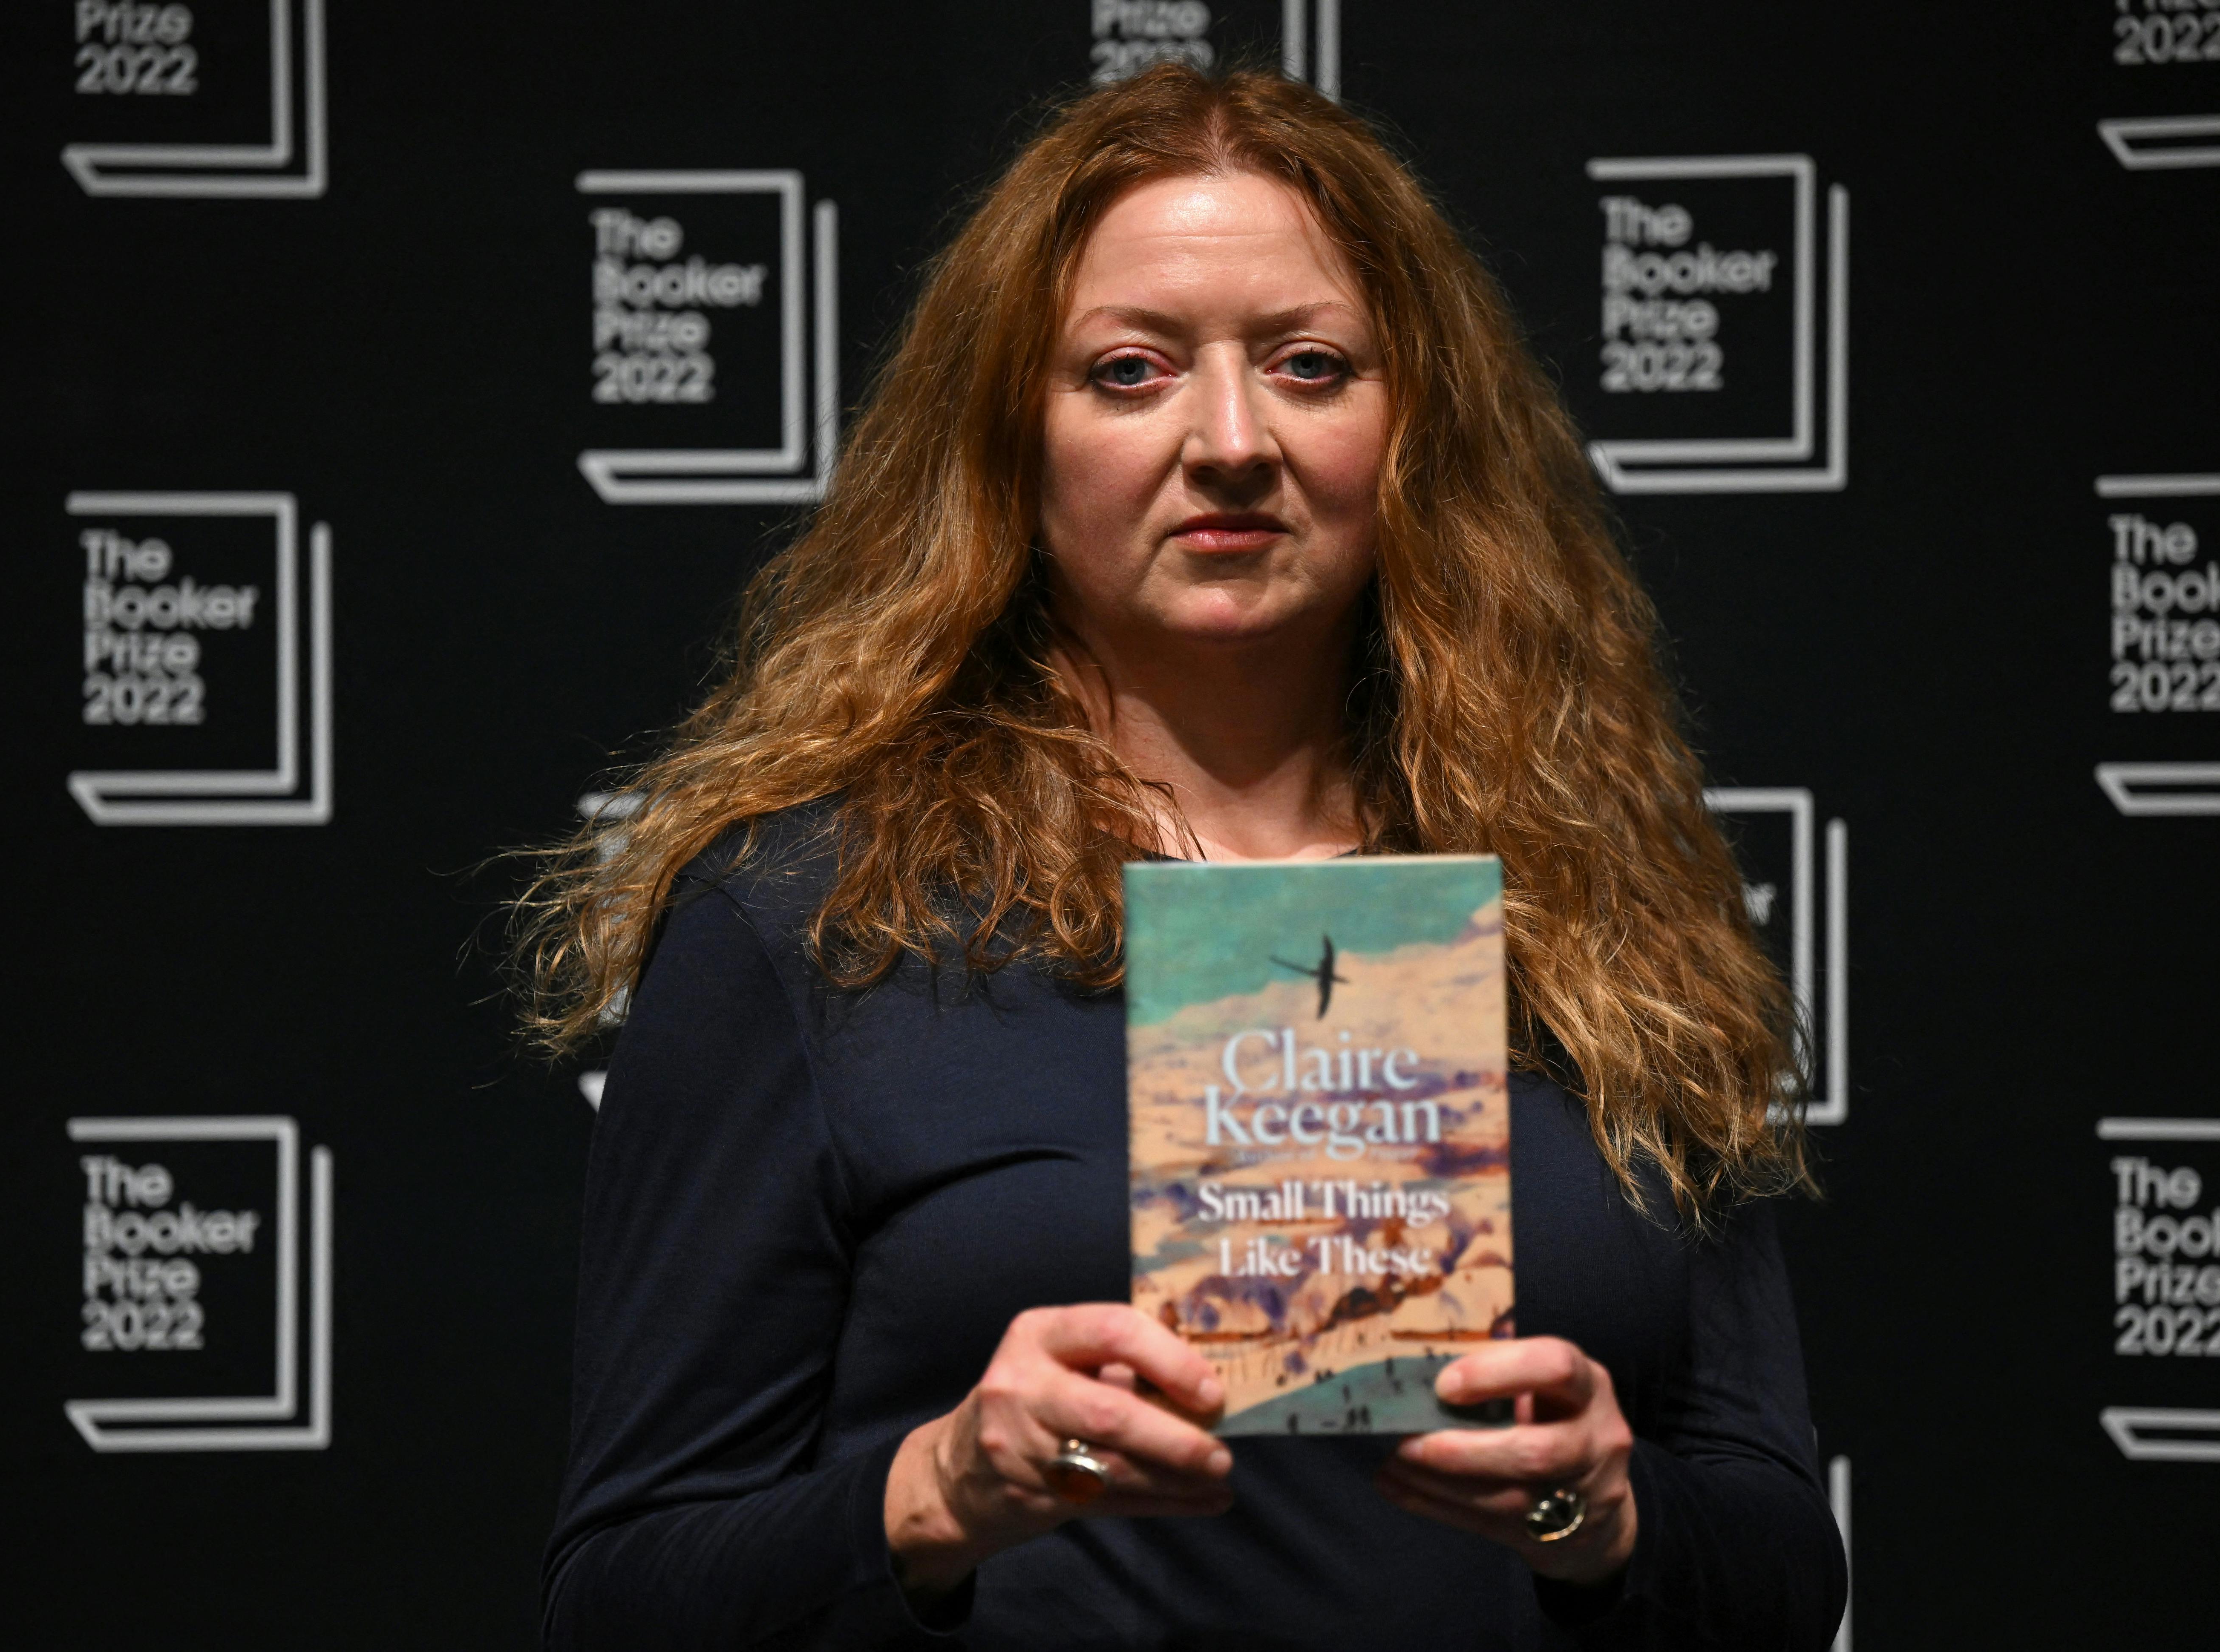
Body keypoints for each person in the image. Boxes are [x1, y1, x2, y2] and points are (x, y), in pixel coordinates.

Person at [517, 64, 1846, 1651]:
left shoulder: (1587, 904)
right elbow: (620, 1602)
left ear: (1410, 427)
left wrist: (1608, 1517)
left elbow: (1779, 1563)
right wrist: (935, 1495)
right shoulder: (811, 921)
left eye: (1309, 365)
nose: (1232, 441)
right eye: (1133, 372)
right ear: (1016, 443)